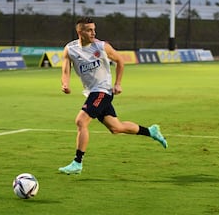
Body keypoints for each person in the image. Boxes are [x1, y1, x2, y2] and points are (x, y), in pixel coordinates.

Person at [59, 17, 168, 175]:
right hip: (91, 92)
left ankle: (77, 163)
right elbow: (65, 70)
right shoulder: (70, 49)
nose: (93, 32)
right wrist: (65, 84)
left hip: (102, 91)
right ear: (79, 32)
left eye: (94, 29)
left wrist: (117, 83)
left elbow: (120, 61)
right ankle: (151, 131)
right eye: (89, 30)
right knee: (116, 128)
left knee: (81, 121)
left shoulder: (102, 46)